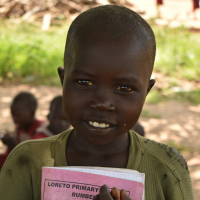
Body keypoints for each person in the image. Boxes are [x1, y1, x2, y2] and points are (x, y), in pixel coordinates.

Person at [0, 5, 194, 200]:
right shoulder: (26, 162)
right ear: (63, 80)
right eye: (85, 83)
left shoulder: (167, 170)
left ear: (146, 92)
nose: (102, 103)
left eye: (124, 88)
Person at [0, 92, 43, 170]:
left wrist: (13, 145)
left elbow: (30, 159)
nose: (14, 119)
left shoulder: (41, 132)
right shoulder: (19, 128)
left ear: (31, 113)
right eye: (13, 115)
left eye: (18, 116)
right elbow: (8, 155)